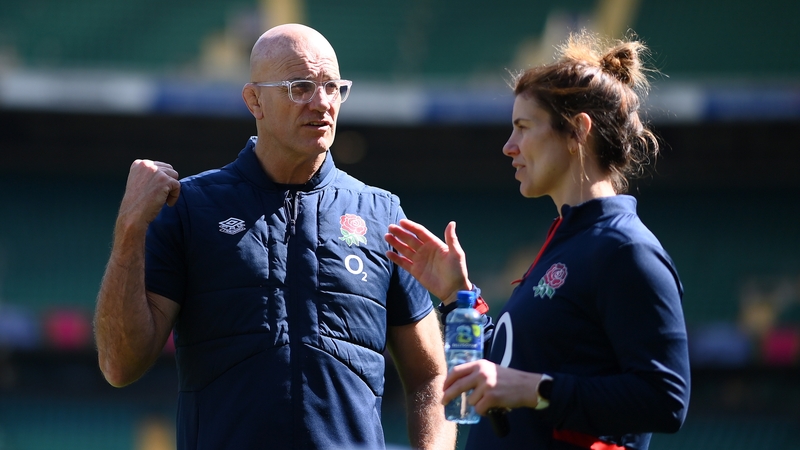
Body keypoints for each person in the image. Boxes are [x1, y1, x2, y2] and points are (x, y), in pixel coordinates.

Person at [93, 23, 456, 450]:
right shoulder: (189, 208)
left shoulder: (382, 215)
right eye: (300, 86)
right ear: (254, 100)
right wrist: (130, 228)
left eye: (333, 87)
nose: (321, 102)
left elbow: (431, 376)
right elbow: (119, 364)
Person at [384, 31, 690, 450]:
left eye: (523, 128)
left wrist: (535, 389)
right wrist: (459, 298)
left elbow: (666, 400)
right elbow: (491, 378)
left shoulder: (625, 249)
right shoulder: (564, 242)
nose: (509, 147)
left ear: (577, 131)